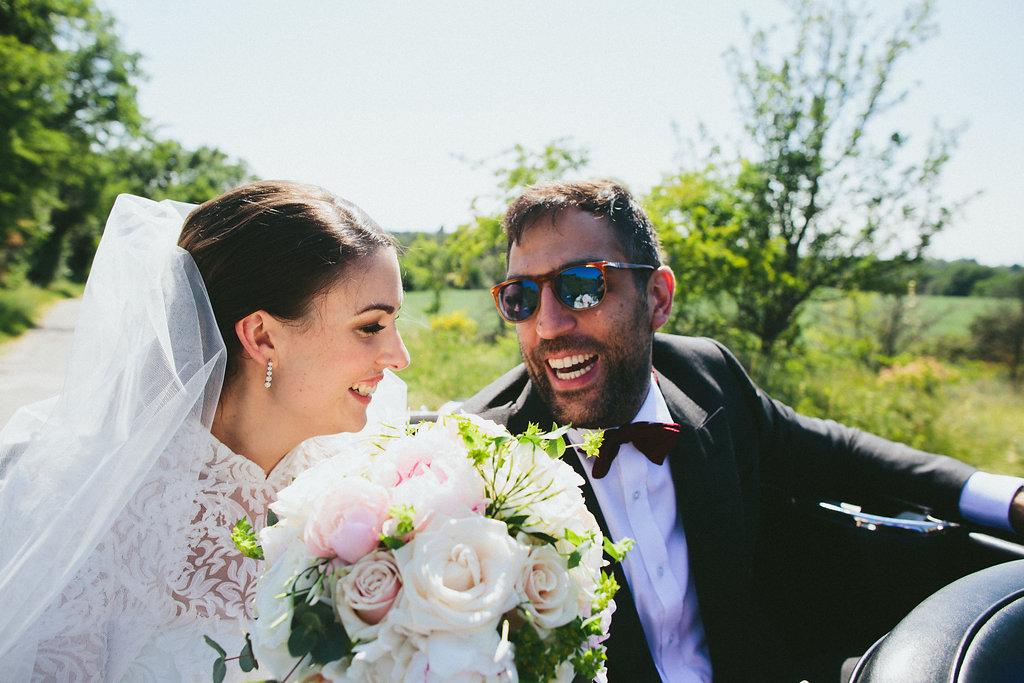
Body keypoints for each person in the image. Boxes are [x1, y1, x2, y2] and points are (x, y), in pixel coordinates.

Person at [460, 179, 1024, 683]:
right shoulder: (482, 461)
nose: (549, 324)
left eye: (583, 286)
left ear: (657, 298)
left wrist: (1007, 497)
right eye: (522, 298)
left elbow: (841, 454)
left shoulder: (708, 378)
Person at [0, 181, 411, 681]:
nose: (399, 357)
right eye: (371, 326)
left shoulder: (369, 485)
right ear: (261, 336)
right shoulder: (88, 503)